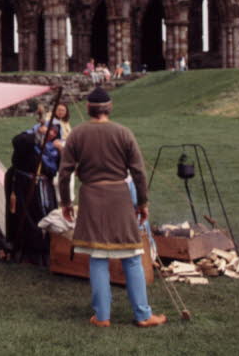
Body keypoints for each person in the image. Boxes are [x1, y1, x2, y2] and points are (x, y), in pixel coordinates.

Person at [56, 88, 167, 328]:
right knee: (132, 256)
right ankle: (142, 315)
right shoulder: (123, 133)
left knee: (98, 257)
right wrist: (143, 203)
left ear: (88, 108)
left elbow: (64, 173)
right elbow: (138, 171)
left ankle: (103, 316)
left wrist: (65, 202)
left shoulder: (77, 134)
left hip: (91, 196)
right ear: (110, 107)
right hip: (119, 197)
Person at [5, 113, 63, 262]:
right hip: (23, 186)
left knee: (45, 216)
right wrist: (38, 135)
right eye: (50, 129)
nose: (52, 134)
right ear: (42, 127)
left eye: (55, 132)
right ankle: (25, 253)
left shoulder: (54, 150)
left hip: (44, 187)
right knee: (25, 218)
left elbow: (57, 169)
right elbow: (17, 142)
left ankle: (44, 251)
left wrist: (62, 151)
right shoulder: (28, 137)